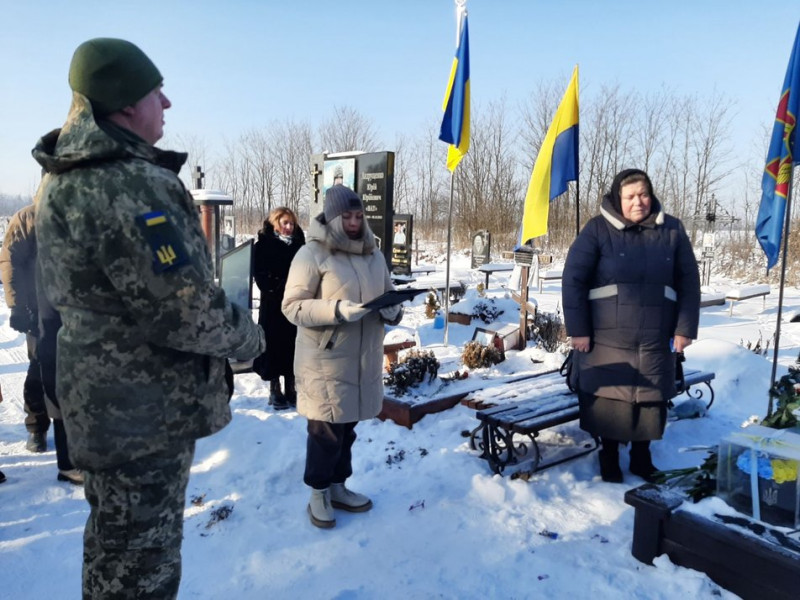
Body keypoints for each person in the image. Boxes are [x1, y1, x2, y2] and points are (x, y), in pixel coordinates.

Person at [32, 38, 265, 598]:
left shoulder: (67, 176)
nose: (166, 102)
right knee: (141, 566)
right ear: (122, 103)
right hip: (142, 411)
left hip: (105, 403)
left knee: (116, 549)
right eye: (154, 91)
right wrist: (250, 337)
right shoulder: (129, 184)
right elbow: (184, 308)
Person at [562, 168, 700, 484]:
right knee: (609, 402)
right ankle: (608, 457)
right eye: (630, 196)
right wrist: (578, 329)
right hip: (606, 339)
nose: (638, 201)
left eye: (643, 194)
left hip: (656, 337)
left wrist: (684, 329)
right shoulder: (597, 230)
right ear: (617, 198)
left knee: (650, 400)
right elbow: (573, 280)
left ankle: (641, 458)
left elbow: (689, 283)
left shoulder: (672, 230)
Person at [282, 184, 403, 529]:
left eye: (358, 216)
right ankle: (318, 492)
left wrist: (393, 310)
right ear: (332, 217)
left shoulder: (373, 254)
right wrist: (336, 310)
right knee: (326, 431)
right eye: (346, 216)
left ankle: (338, 486)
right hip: (325, 360)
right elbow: (292, 307)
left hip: (362, 358)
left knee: (347, 428)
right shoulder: (312, 254)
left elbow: (388, 293)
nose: (353, 222)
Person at [0, 203, 50, 454]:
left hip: (80, 306)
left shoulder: (82, 209)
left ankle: (78, 426)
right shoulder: (28, 217)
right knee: (39, 365)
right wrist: (17, 306)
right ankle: (37, 426)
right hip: (40, 307)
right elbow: (10, 260)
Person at [252, 207, 305, 410]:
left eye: (292, 223)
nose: (289, 227)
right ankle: (275, 388)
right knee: (273, 345)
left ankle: (291, 387)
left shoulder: (300, 245)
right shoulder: (264, 245)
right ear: (275, 224)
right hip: (273, 304)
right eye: (285, 223)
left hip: (296, 302)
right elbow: (260, 274)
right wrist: (276, 287)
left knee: (293, 345)